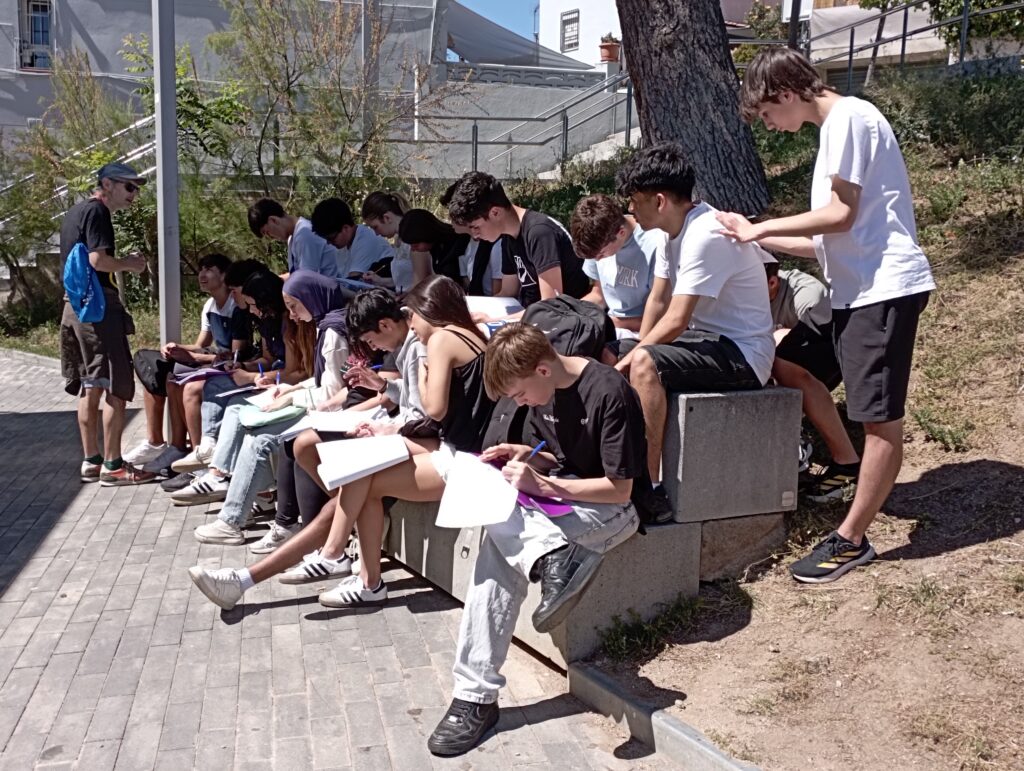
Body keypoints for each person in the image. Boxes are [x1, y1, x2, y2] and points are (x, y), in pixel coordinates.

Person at [717, 47, 934, 583]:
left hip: (882, 292)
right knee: (797, 366)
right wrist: (755, 241)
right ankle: (846, 474)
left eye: (768, 113)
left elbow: (839, 215)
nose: (771, 125)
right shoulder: (835, 130)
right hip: (852, 294)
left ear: (787, 93)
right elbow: (824, 241)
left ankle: (851, 539)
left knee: (879, 422)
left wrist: (761, 228)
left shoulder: (849, 119)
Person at [426, 323, 643, 757]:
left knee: (498, 542)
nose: (521, 403)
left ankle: (474, 698)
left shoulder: (608, 391)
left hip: (613, 512)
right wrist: (526, 456)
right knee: (493, 513)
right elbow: (557, 457)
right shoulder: (544, 389)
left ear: (543, 369)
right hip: (558, 507)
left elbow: (620, 490)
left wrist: (546, 486)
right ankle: (551, 558)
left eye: (521, 394)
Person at [186, 287, 429, 604]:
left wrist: (387, 427)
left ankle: (312, 560)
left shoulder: (418, 348)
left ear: (386, 324)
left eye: (372, 341)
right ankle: (333, 562)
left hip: (413, 441)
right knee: (326, 474)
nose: (374, 348)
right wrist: (383, 387)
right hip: (403, 435)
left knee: (345, 492)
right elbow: (414, 402)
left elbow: (426, 415)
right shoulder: (411, 345)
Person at [308, 274, 495, 607]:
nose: (411, 324)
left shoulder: (439, 341)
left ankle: (348, 565)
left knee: (363, 476)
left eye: (413, 314)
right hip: (465, 449)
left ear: (429, 310)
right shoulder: (471, 334)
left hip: (463, 459)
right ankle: (352, 568)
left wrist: (424, 370)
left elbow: (433, 409)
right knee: (363, 477)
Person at [613, 143, 775, 496]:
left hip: (744, 354)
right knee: (620, 350)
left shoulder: (704, 235)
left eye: (635, 201)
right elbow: (658, 300)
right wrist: (629, 352)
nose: (630, 209)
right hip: (708, 341)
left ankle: (648, 486)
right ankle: (614, 466)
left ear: (659, 201)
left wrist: (633, 359)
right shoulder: (670, 233)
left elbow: (676, 319)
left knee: (643, 362)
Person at [188, 271, 350, 544]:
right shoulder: (324, 325)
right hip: (318, 406)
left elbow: (333, 393)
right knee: (247, 421)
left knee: (261, 440)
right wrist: (291, 390)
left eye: (295, 306)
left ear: (311, 298)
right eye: (288, 307)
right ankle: (236, 496)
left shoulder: (332, 332)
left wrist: (292, 396)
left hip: (331, 415)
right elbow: (322, 380)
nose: (292, 314)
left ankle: (233, 519)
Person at [171, 270, 315, 509]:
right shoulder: (268, 323)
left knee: (237, 406)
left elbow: (297, 372)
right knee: (219, 388)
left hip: (291, 386)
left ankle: (219, 474)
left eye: (253, 305)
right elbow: (268, 359)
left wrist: (253, 377)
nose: (252, 311)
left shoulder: (290, 324)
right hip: (277, 379)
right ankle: (220, 463)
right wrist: (245, 367)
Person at [59, 162, 148, 485]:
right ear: (107, 184)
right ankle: (113, 465)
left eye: (136, 188)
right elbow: (99, 261)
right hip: (98, 311)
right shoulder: (98, 212)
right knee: (115, 383)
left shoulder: (75, 211)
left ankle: (92, 461)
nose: (134, 194)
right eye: (129, 187)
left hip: (73, 308)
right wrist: (131, 264)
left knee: (90, 383)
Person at [124, 253, 250, 478]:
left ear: (224, 275)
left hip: (234, 367)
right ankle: (177, 447)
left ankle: (200, 456)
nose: (202, 274)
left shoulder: (237, 306)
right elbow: (201, 345)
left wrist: (195, 358)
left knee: (190, 388)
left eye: (209, 269)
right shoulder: (209, 306)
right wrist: (176, 348)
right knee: (169, 380)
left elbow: (235, 354)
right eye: (201, 269)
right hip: (215, 362)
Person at [764, 261, 861, 499]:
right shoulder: (743, 292)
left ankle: (845, 463)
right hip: (777, 365)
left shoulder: (807, 293)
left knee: (779, 347)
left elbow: (815, 346)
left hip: (828, 362)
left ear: (772, 282)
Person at [444, 171, 590, 310]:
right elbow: (508, 291)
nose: (475, 235)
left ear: (495, 212)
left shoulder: (539, 232)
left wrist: (493, 320)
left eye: (476, 227)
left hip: (566, 318)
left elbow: (552, 305)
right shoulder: (507, 237)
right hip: (533, 314)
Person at [570, 193, 661, 361]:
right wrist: (572, 312)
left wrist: (613, 322)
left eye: (602, 254)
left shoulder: (654, 245)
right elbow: (599, 295)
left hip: (642, 331)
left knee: (602, 355)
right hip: (610, 323)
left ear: (621, 233)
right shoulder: (598, 241)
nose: (598, 260)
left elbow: (661, 314)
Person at [247, 198, 338, 278]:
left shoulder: (304, 234)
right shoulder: (293, 237)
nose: (270, 237)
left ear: (273, 220)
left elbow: (306, 281)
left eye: (267, 232)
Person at [310, 197, 394, 279]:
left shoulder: (366, 241)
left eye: (332, 238)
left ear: (346, 228)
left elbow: (353, 281)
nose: (329, 243)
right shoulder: (343, 245)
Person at [359, 191, 415, 294]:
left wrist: (395, 297)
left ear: (387, 218)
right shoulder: (399, 239)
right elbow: (403, 281)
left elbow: (422, 281)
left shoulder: (414, 238)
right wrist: (380, 281)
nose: (376, 233)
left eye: (375, 227)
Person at [397, 208, 471, 286]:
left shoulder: (458, 242)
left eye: (416, 245)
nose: (413, 249)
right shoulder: (436, 248)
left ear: (426, 235)